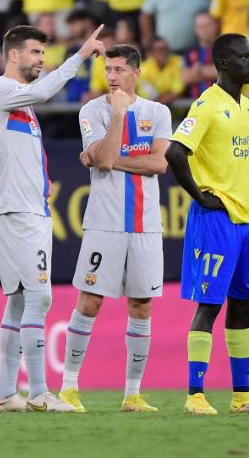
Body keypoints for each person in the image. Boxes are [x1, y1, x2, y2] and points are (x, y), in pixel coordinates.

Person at [0, 23, 106, 413]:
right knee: (40, 295)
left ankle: (4, 394)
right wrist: (81, 56)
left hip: (29, 207)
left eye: (42, 53)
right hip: (18, 213)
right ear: (13, 55)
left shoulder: (22, 105)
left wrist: (40, 183)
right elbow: (46, 89)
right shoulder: (1, 90)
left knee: (19, 301)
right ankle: (38, 394)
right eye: (35, 53)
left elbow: (21, 150)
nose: (40, 59)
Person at [165, 32, 249, 416]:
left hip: (247, 220)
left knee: (243, 304)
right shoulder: (207, 106)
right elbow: (174, 152)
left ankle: (243, 396)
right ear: (222, 64)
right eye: (244, 57)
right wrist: (201, 196)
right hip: (216, 220)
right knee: (209, 304)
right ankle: (195, 394)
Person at [57, 44, 170, 413]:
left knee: (141, 305)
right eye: (108, 69)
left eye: (119, 69)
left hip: (146, 225)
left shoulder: (158, 112)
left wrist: (109, 158)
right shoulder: (93, 110)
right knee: (89, 302)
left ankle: (132, 394)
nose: (111, 76)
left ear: (137, 72)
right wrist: (119, 118)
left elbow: (158, 165)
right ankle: (69, 388)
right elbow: (104, 159)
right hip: (104, 224)